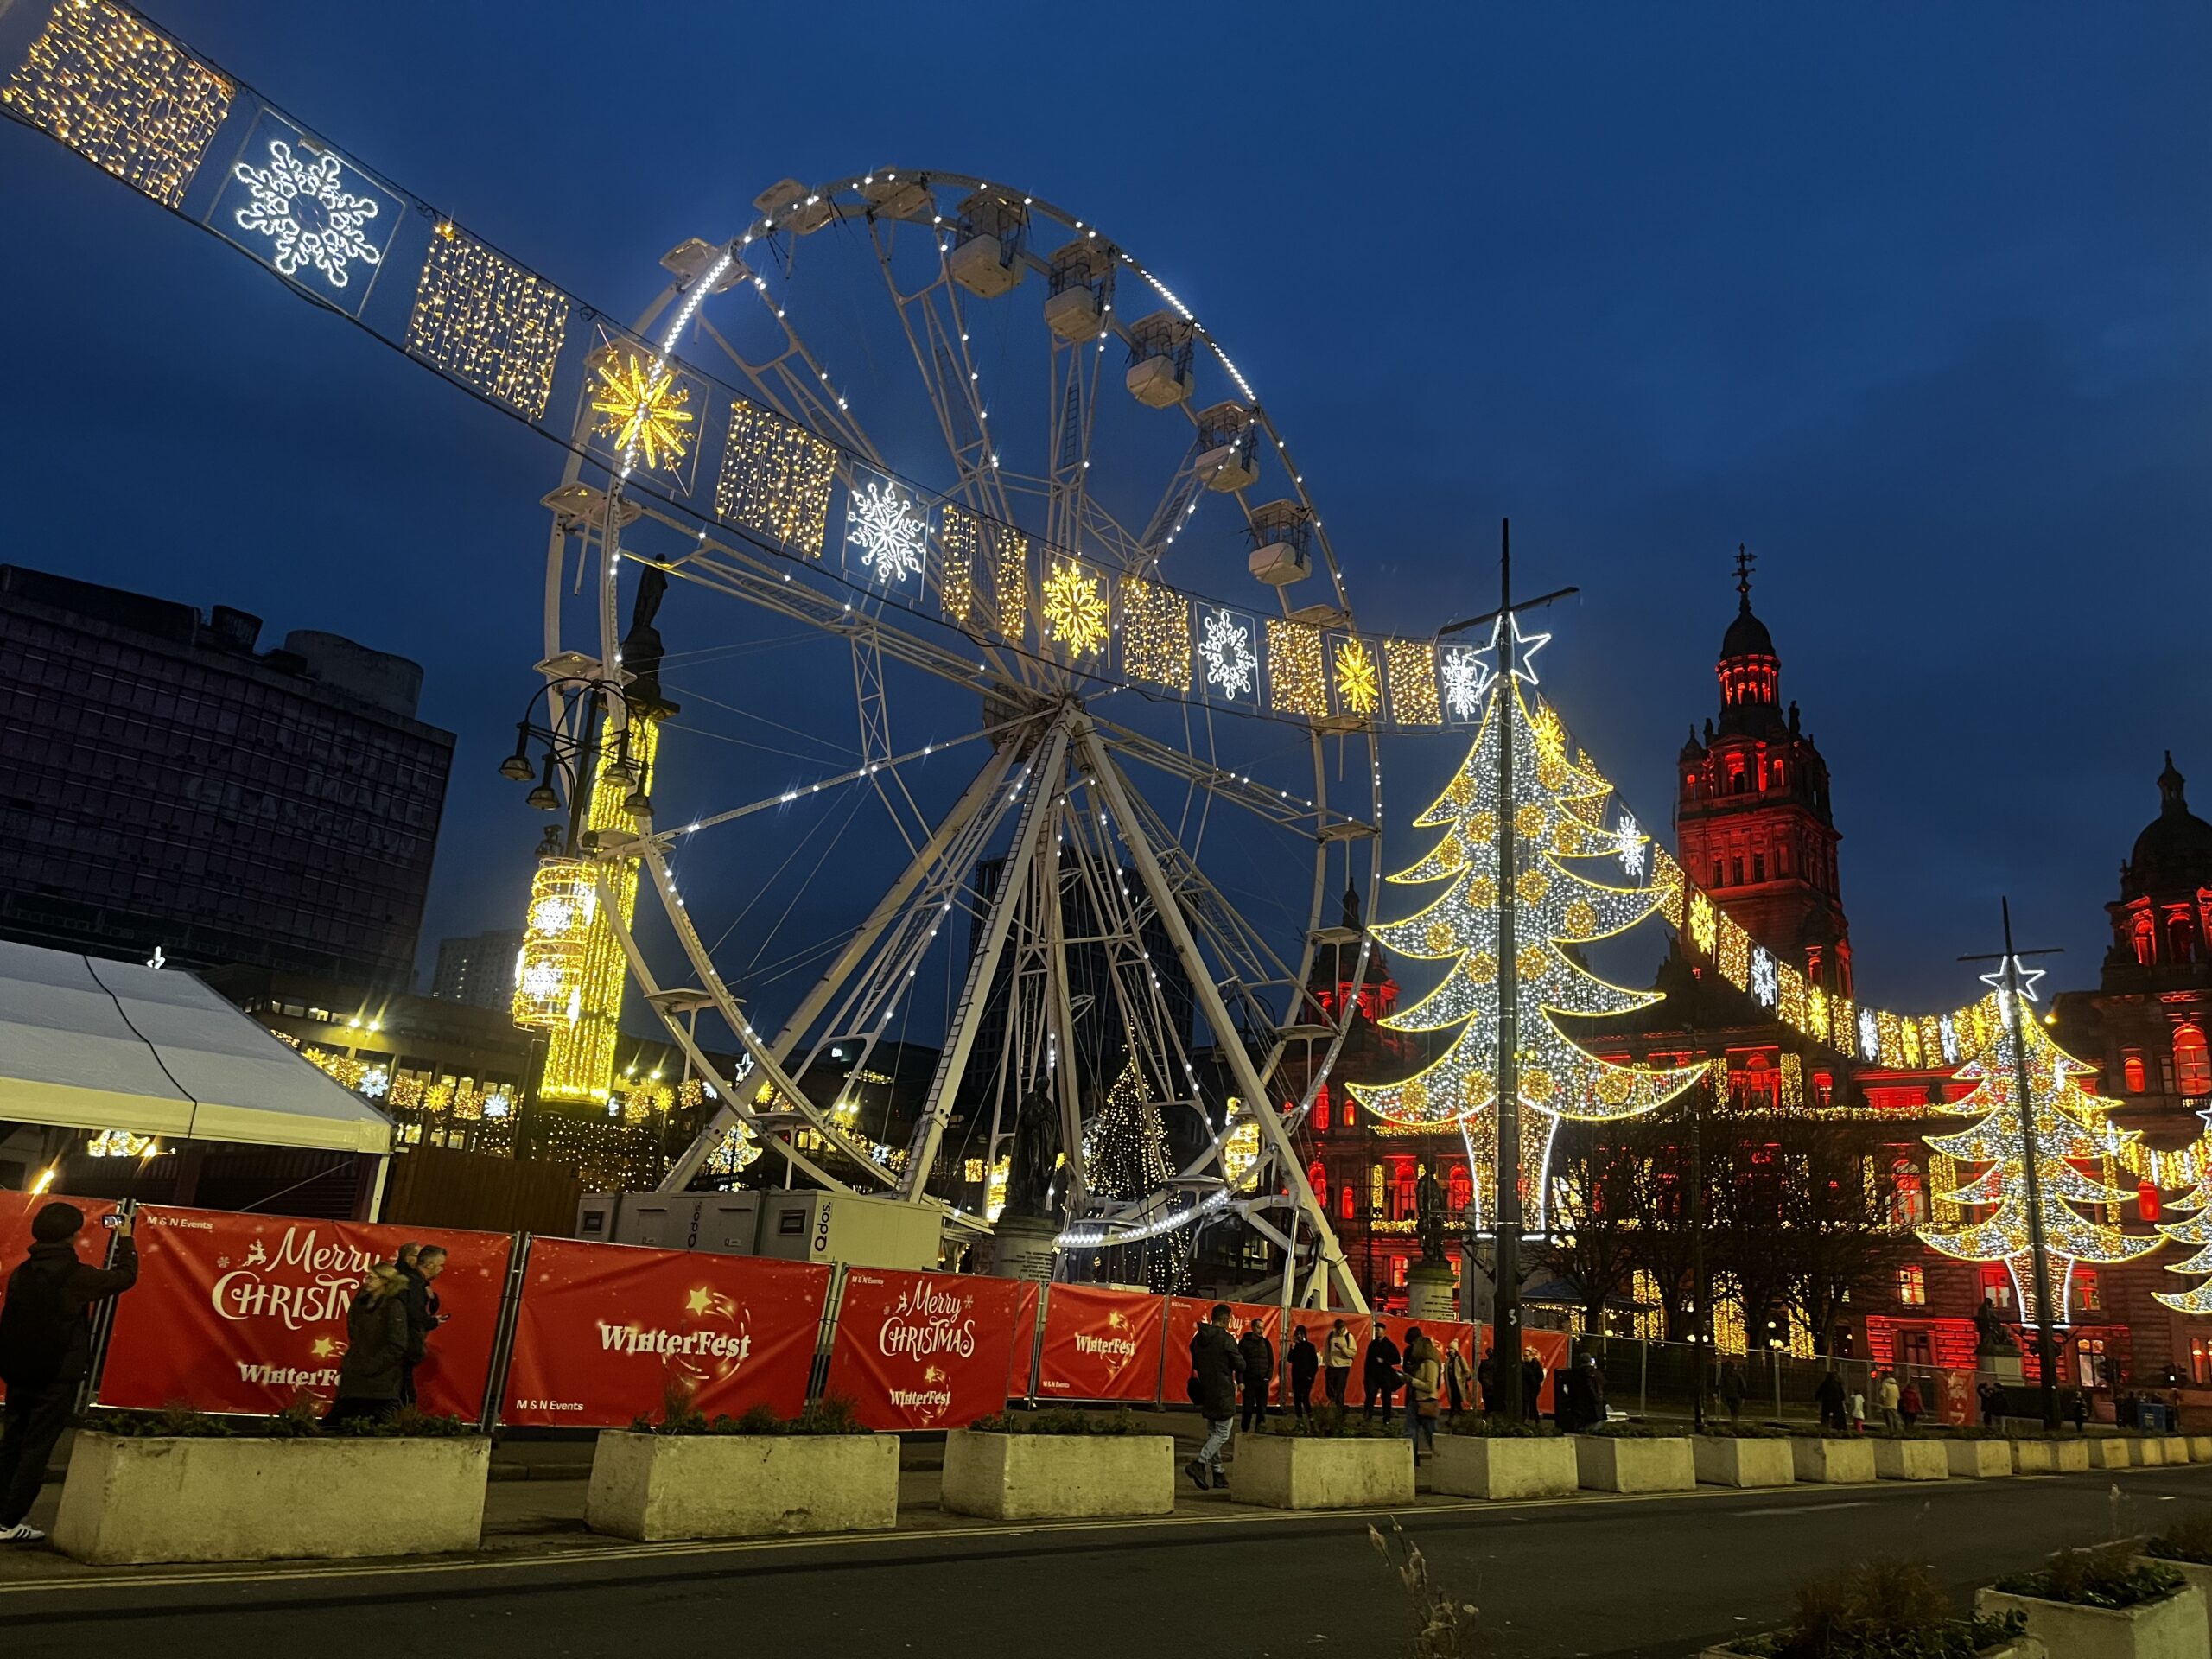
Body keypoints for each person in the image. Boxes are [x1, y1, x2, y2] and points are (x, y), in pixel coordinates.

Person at [0, 1203, 138, 1543]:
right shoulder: (76, 1276)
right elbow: (126, 1277)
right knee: (37, 1449)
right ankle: (8, 1521)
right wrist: (126, 1239)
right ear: (72, 1235)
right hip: (56, 1374)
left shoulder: (23, 1272)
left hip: (19, 1371)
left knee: (12, 1444)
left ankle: (2, 1512)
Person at [326, 1264, 412, 1424]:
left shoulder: (393, 1306)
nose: (367, 1282)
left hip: (380, 1383)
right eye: (367, 1277)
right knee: (336, 1424)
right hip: (355, 1378)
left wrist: (373, 1365)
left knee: (377, 1427)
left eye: (372, 1278)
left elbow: (397, 1344)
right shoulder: (360, 1304)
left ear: (385, 1281)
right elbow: (354, 1333)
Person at [1185, 1304, 1242, 1491]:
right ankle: (1199, 1463)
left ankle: (1218, 1473)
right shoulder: (1226, 1339)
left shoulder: (1199, 1338)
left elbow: (1193, 1355)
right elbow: (1239, 1364)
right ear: (1225, 1319)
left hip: (1206, 1388)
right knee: (1223, 1433)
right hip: (1223, 1389)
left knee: (1213, 1433)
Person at [394, 1243, 448, 1405]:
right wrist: (432, 1322)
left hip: (401, 1343)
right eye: (441, 1265)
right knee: (403, 1391)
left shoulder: (417, 1283)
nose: (442, 1269)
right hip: (404, 1343)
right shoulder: (414, 1283)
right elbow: (415, 1314)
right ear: (430, 1264)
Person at [1402, 1327, 1441, 1459]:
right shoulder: (1421, 1363)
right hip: (1416, 1400)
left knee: (1431, 1434)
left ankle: (1439, 1457)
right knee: (1410, 1431)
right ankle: (1410, 1458)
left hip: (1426, 1401)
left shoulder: (1430, 1364)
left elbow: (1430, 1386)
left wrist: (1413, 1381)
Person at [1237, 1319, 1275, 1431]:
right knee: (1248, 1408)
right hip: (1249, 1381)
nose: (1261, 1330)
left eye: (1263, 1328)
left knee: (1262, 1408)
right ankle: (1244, 1431)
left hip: (1262, 1381)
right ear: (1253, 1328)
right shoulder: (1244, 1343)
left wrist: (1267, 1377)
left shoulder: (1266, 1343)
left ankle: (1260, 1429)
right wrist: (1240, 1381)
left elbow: (1271, 1361)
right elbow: (1240, 1363)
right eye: (1259, 1328)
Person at [1362, 1322, 1401, 1421]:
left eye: (1379, 1330)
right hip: (1372, 1375)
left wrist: (1385, 1361)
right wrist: (1366, 1376)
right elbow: (1368, 1361)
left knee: (1386, 1397)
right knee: (1370, 1396)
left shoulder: (1389, 1345)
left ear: (1384, 1331)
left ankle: (1386, 1418)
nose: (1377, 1332)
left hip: (1385, 1375)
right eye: (1376, 1330)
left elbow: (1397, 1359)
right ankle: (1367, 1417)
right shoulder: (1373, 1344)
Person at [1287, 1325, 1319, 1423]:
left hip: (1306, 1377)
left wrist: (1311, 1376)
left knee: (1305, 1397)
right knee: (1297, 1398)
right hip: (1296, 1376)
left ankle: (1310, 1417)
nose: (1299, 1336)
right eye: (1297, 1334)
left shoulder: (1310, 1347)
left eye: (1301, 1334)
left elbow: (1314, 1363)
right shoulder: (1295, 1347)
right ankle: (1299, 1419)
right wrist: (1292, 1348)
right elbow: (1290, 1359)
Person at [1324, 1318, 1357, 1411]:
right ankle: (1333, 1404)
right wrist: (1326, 1364)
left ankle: (1339, 1410)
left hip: (1343, 1367)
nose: (1340, 1331)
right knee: (1329, 1390)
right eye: (1338, 1329)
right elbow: (1327, 1350)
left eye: (1341, 1329)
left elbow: (1353, 1353)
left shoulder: (1349, 1337)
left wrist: (1343, 1349)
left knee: (1339, 1390)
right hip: (1331, 1366)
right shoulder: (1331, 1335)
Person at [1444, 1341, 1474, 1417]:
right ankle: (1454, 1416)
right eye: (1450, 1349)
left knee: (1459, 1401)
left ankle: (1460, 1416)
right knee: (1453, 1402)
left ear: (1455, 1350)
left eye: (1452, 1349)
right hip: (1451, 1384)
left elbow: (1467, 1372)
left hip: (1459, 1385)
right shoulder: (1448, 1360)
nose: (1450, 1351)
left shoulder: (1460, 1359)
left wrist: (1461, 1379)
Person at [1815, 1368, 1847, 1433]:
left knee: (1825, 1415)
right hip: (1837, 1402)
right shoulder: (1837, 1384)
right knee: (1838, 1415)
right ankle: (1839, 1427)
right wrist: (1842, 1398)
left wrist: (1817, 1398)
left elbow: (1819, 1392)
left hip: (1827, 1402)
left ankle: (1824, 1426)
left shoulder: (1825, 1384)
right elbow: (1842, 1394)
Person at [1719, 1360, 1747, 1426]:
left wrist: (1721, 1393)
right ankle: (1735, 1422)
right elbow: (1743, 1386)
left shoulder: (1725, 1376)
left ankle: (1732, 1421)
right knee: (1736, 1410)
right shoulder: (1739, 1375)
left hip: (1728, 1395)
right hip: (1737, 1395)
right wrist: (1743, 1396)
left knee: (1730, 1409)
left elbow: (1721, 1385)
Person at [1876, 1370, 1901, 1434]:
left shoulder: (1884, 1384)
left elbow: (1883, 1395)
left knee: (1889, 1420)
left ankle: (1891, 1432)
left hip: (1886, 1405)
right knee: (1895, 1419)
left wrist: (1880, 1401)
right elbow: (1898, 1397)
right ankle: (1897, 1432)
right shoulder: (1896, 1386)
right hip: (1895, 1405)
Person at [1522, 1350, 1544, 1420]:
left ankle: (1534, 1418)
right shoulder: (1524, 1365)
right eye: (1524, 1356)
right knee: (1526, 1403)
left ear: (1531, 1356)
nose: (1525, 1358)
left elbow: (1541, 1376)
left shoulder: (1536, 1364)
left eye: (1526, 1356)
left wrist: (1536, 1383)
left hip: (1533, 1387)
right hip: (1526, 1386)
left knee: (1532, 1403)